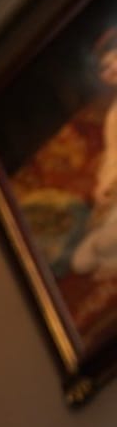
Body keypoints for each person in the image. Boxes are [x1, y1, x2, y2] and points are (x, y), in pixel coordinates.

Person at [72, 26, 117, 277]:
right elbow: (113, 155)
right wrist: (103, 185)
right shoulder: (113, 115)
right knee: (81, 261)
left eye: (115, 60)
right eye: (105, 68)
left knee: (103, 246)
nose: (111, 70)